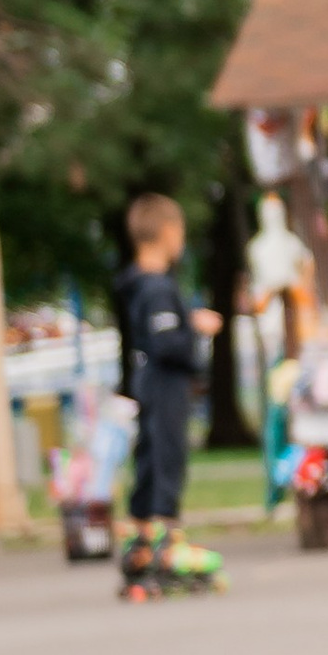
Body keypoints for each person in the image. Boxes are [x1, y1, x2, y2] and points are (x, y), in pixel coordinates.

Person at [113, 193, 224, 598]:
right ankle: (166, 543)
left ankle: (141, 541)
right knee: (166, 456)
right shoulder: (158, 287)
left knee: (149, 458)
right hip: (165, 383)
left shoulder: (140, 284)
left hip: (148, 381)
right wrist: (194, 329)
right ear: (166, 233)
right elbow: (166, 343)